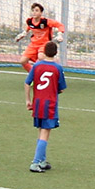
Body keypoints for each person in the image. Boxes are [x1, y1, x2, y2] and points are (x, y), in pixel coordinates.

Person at [24, 41, 66, 173]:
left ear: (44, 52)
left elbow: (27, 83)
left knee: (41, 130)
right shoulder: (57, 68)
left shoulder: (36, 66)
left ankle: (42, 160)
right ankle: (35, 162)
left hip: (37, 102)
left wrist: (28, 100)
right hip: (50, 104)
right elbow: (61, 88)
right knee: (46, 131)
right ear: (56, 53)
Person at [14, 2, 65, 71]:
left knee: (41, 57)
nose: (34, 12)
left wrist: (59, 35)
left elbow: (60, 25)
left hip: (44, 44)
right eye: (33, 10)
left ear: (41, 13)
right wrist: (22, 34)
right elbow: (28, 28)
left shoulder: (46, 22)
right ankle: (33, 74)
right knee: (23, 61)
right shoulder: (29, 21)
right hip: (33, 44)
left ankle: (51, 71)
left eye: (37, 10)